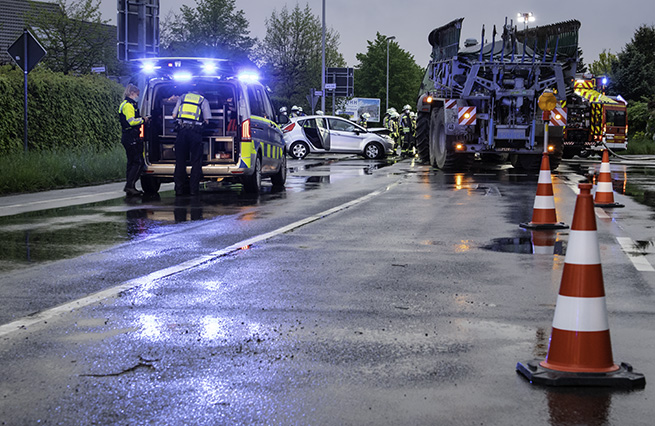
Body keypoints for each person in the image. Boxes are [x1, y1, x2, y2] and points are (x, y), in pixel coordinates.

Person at [172, 88, 212, 196]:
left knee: (180, 162)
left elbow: (174, 115)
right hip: (195, 133)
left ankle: (179, 189)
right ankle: (193, 190)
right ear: (200, 91)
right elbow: (207, 120)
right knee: (196, 162)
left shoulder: (182, 97)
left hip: (182, 132)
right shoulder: (203, 100)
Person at [118, 83, 148, 197]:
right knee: (137, 162)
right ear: (132, 93)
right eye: (137, 94)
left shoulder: (125, 104)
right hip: (131, 136)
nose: (137, 96)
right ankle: (130, 186)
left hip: (128, 136)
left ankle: (130, 186)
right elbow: (131, 121)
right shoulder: (128, 105)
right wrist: (143, 120)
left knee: (131, 162)